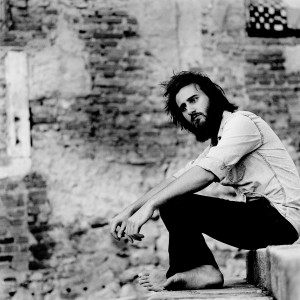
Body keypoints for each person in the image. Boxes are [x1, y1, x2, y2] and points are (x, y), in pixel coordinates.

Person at [110, 71, 300, 291]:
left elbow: (206, 173)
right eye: (183, 107)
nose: (190, 110)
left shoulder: (242, 123)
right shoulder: (216, 144)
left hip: (281, 219)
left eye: (194, 100)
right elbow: (176, 179)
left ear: (212, 96)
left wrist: (151, 206)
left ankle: (201, 269)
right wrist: (131, 210)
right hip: (262, 221)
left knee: (174, 202)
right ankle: (192, 269)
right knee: (173, 198)